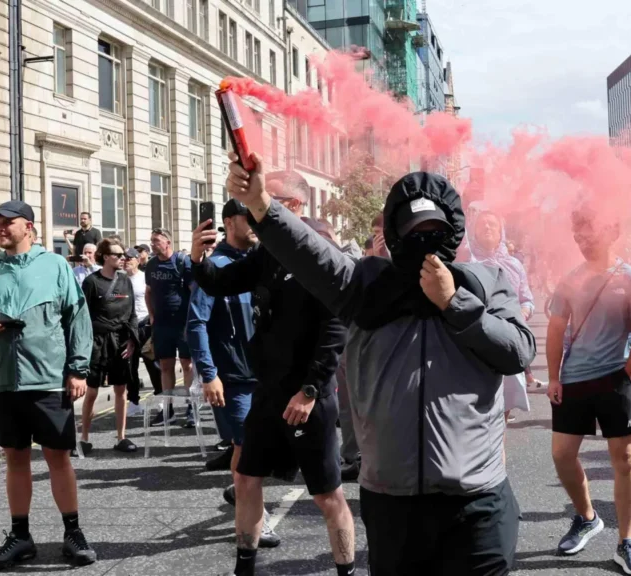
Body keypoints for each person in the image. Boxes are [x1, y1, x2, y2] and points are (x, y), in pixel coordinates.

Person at [214, 152, 536, 574]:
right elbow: (308, 252)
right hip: (393, 502)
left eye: (434, 229)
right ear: (396, 232)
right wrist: (261, 206)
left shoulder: (487, 283)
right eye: (413, 229)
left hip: (476, 502)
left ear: (452, 229)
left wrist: (454, 303)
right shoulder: (363, 285)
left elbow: (517, 350)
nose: (424, 238)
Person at [191, 170, 355, 576]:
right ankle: (244, 567)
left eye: (263, 198)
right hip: (268, 391)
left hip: (307, 397)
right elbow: (221, 282)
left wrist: (311, 389)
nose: (251, 207)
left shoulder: (320, 248)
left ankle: (346, 570)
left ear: (294, 206)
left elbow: (336, 326)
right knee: (246, 479)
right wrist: (197, 257)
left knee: (326, 494)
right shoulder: (269, 251)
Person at [0, 200, 96, 571]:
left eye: (9, 222)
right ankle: (20, 536)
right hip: (4, 381)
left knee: (58, 458)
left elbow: (77, 319)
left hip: (48, 379)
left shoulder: (55, 265)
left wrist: (78, 370)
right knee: (16, 458)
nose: (1, 228)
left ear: (30, 228)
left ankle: (73, 532)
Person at [545, 210, 631, 575]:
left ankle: (627, 541)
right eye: (577, 233)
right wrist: (555, 378)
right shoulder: (570, 280)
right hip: (574, 380)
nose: (582, 239)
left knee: (624, 461)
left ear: (612, 229)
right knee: (562, 456)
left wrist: (627, 375)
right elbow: (556, 329)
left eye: (588, 231)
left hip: (614, 380)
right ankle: (587, 518)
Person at [186, 199, 282, 549]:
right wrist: (208, 374)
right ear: (229, 221)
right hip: (233, 379)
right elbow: (196, 324)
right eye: (248, 216)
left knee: (261, 448)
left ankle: (239, 489)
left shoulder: (261, 262)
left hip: (267, 375)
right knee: (248, 445)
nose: (257, 221)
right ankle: (256, 516)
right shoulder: (216, 265)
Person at [469, 207, 535, 423]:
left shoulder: (514, 265)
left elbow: (527, 299)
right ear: (474, 232)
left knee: (501, 419)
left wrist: (523, 313)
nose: (487, 227)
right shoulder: (466, 263)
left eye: (493, 224)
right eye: (482, 224)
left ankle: (498, 456)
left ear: (501, 233)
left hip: (507, 342)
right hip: (474, 345)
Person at [78, 238, 139, 455]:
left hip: (121, 341)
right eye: (118, 255)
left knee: (121, 389)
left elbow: (132, 313)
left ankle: (121, 437)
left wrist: (132, 340)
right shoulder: (91, 282)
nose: (123, 258)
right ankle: (84, 439)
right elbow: (81, 315)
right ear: (105, 257)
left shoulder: (125, 282)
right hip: (97, 342)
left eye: (124, 255)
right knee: (92, 391)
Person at [144, 228, 195, 426]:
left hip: (182, 323)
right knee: (165, 366)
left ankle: (191, 409)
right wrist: (152, 315)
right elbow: (148, 292)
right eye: (151, 240)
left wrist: (193, 320)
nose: (153, 243)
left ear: (167, 242)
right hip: (162, 324)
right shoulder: (151, 265)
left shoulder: (182, 262)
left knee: (187, 364)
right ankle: (168, 410)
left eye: (156, 240)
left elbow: (193, 292)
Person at [123, 248, 158, 415]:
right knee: (130, 367)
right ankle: (134, 401)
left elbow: (153, 298)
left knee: (152, 363)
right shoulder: (120, 280)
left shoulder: (144, 278)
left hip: (144, 325)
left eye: (130, 258)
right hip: (127, 327)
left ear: (137, 260)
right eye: (124, 258)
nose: (126, 260)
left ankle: (160, 397)